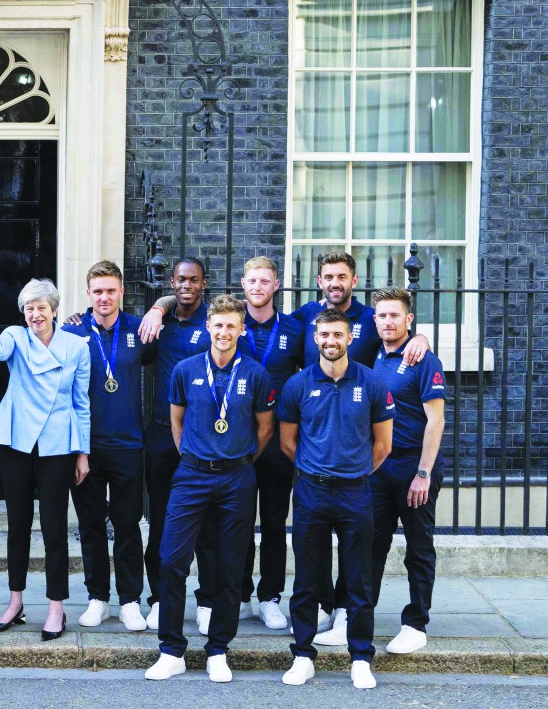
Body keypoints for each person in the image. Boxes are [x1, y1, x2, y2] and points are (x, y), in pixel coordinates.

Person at [292, 252, 426, 645]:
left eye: (342, 276)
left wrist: (420, 337)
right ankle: (324, 607)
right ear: (319, 280)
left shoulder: (371, 317)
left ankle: (398, 622)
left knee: (366, 546)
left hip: (366, 452)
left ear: (354, 280)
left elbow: (396, 330)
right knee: (318, 543)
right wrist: (161, 306)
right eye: (328, 276)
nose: (335, 283)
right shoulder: (303, 316)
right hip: (318, 445)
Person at [145, 295, 274, 683]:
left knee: (230, 567)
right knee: (171, 561)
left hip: (237, 477)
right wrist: (196, 457)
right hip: (192, 475)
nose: (223, 332)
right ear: (209, 328)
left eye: (231, 325)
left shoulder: (255, 374)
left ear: (240, 329)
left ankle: (218, 648)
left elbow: (264, 429)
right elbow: (177, 420)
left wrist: (239, 460)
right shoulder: (185, 370)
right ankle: (171, 650)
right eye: (217, 325)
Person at [0, 274, 90, 641]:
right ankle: (15, 601)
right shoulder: (15, 338)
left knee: (55, 527)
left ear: (54, 310)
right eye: (28, 309)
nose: (35, 314)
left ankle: (56, 607)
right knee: (17, 524)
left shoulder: (76, 347)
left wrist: (83, 453)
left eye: (41, 307)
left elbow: (82, 403)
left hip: (57, 443)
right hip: (17, 438)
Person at [278, 308, 394, 690]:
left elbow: (383, 445)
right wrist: (318, 468)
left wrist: (352, 471)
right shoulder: (297, 384)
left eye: (338, 335)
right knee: (307, 580)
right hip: (311, 491)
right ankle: (303, 656)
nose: (331, 341)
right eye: (324, 335)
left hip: (356, 492)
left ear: (348, 338)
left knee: (359, 581)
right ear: (316, 339)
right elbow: (288, 442)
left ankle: (360, 657)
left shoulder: (373, 383)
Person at [62, 261, 151, 631]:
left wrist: (159, 306)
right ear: (88, 294)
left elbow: (176, 307)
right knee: (91, 525)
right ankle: (98, 597)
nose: (104, 297)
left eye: (111, 290)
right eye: (97, 291)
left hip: (129, 444)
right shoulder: (71, 331)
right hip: (85, 447)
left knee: (128, 525)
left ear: (121, 292)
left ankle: (130, 600)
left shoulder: (140, 329)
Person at [139, 258, 220, 632]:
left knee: (206, 523)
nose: (187, 285)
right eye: (180, 280)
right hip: (160, 435)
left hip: (204, 439)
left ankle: (207, 599)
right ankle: (158, 598)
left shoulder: (214, 323)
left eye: (194, 280)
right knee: (160, 520)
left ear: (204, 284)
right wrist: (158, 307)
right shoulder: (160, 322)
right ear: (171, 282)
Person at [369, 287, 446, 655]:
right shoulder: (375, 356)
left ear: (409, 319)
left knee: (418, 547)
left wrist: (424, 473)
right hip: (380, 467)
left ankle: (416, 623)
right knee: (371, 546)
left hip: (415, 467)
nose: (388, 321)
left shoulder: (423, 359)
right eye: (382, 315)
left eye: (395, 315)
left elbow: (436, 420)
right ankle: (359, 618)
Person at [236, 257, 305, 630]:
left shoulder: (295, 329)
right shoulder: (230, 323)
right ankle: (241, 594)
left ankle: (271, 596)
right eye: (252, 281)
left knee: (275, 521)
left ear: (276, 285)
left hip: (279, 441)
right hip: (237, 439)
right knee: (238, 520)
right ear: (243, 284)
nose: (258, 286)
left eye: (265, 281)